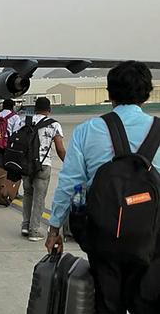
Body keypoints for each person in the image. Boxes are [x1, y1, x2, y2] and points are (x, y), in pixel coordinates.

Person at [46, 61, 159, 313]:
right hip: (153, 239)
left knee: (106, 305)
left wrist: (57, 227)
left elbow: (73, 185)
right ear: (147, 93)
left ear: (109, 94)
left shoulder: (88, 131)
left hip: (104, 236)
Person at [19, 97, 65, 242]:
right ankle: (34, 231)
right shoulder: (54, 125)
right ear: (49, 110)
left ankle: (25, 226)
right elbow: (59, 149)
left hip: (26, 165)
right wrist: (69, 163)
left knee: (27, 194)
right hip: (43, 165)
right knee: (39, 198)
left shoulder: (24, 121)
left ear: (34, 109)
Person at [0, 99, 21, 173]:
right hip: (8, 145)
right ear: (13, 107)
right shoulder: (15, 117)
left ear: (3, 106)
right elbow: (16, 132)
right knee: (8, 168)